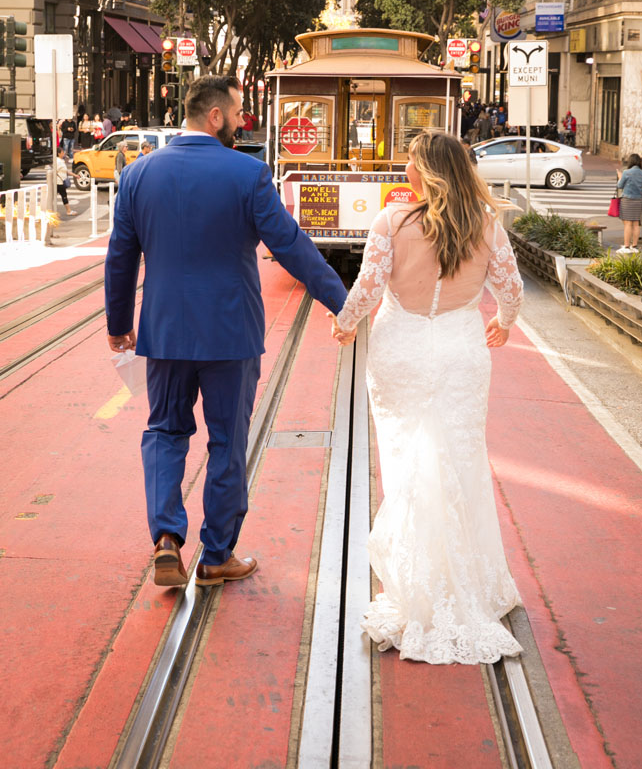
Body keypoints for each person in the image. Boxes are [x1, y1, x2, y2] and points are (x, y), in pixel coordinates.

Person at [104, 74, 348, 589]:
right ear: (215, 116)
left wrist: (118, 326)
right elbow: (291, 245)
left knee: (164, 432)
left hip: (164, 333)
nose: (242, 122)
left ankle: (167, 538)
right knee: (227, 441)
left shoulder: (139, 175)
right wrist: (342, 303)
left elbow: (120, 258)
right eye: (237, 112)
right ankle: (216, 555)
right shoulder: (249, 174)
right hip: (230, 334)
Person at [330, 129, 524, 664]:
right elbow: (511, 290)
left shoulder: (392, 221)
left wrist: (346, 325)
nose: (405, 171)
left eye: (411, 163)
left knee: (407, 461)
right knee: (458, 460)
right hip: (461, 351)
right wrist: (504, 324)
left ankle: (416, 582)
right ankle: (468, 582)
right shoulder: (486, 225)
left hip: (401, 351)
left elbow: (369, 287)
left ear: (429, 172)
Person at [616, 153, 642, 254]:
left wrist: (620, 176)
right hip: (638, 200)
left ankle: (626, 246)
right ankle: (634, 246)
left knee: (628, 224)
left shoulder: (626, 172)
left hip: (627, 199)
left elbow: (620, 186)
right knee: (636, 223)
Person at [55, 147, 75, 216]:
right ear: (58, 153)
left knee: (61, 196)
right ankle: (68, 211)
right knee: (63, 195)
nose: (63, 153)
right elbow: (55, 171)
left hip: (60, 181)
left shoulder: (61, 160)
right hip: (59, 182)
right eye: (62, 152)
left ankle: (68, 210)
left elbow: (66, 171)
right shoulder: (57, 161)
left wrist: (75, 175)